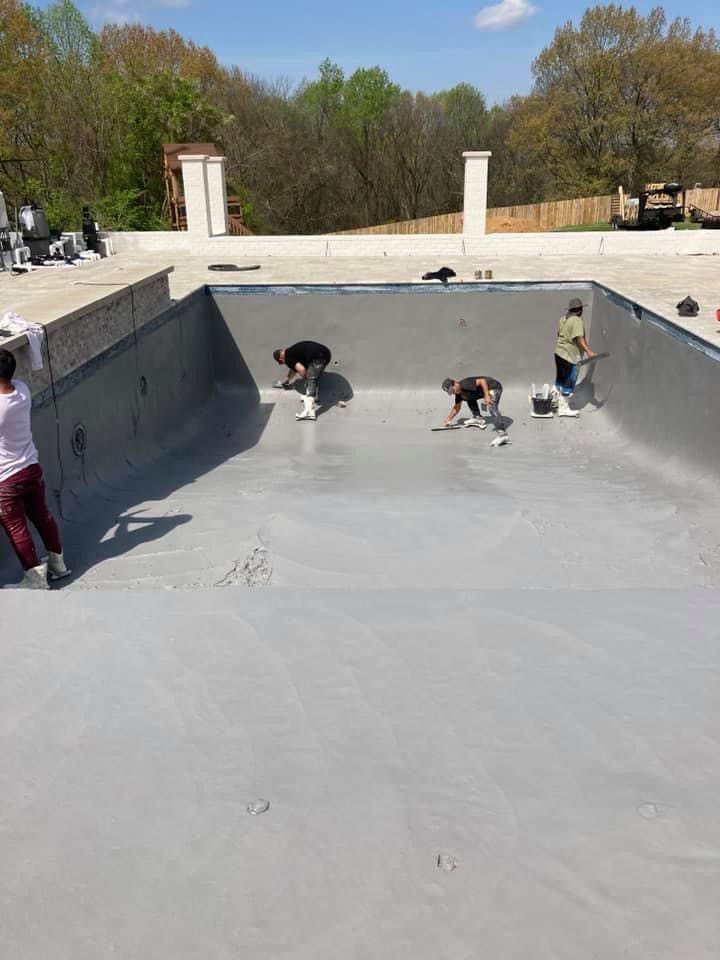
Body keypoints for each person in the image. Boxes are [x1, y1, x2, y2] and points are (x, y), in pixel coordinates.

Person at [0, 348, 70, 588]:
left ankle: (35, 580)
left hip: (6, 479)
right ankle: (58, 565)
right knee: (42, 517)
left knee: (16, 528)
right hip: (31, 468)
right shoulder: (22, 389)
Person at [552, 297, 596, 417]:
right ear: (580, 310)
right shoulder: (577, 321)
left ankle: (555, 401)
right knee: (568, 384)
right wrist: (589, 352)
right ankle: (564, 408)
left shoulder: (563, 319)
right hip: (570, 357)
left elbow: (559, 334)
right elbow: (579, 338)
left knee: (560, 381)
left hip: (559, 353)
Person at [441, 375, 510, 446]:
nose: (453, 393)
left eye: (453, 390)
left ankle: (503, 435)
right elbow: (457, 407)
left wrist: (486, 396)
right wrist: (448, 419)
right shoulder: (459, 394)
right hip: (483, 391)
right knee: (466, 397)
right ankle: (478, 418)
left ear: (455, 383)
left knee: (492, 407)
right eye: (451, 392)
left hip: (494, 387)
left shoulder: (465, 384)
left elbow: (482, 381)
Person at [273, 340, 332, 421]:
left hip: (318, 357)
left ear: (280, 358)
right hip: (325, 353)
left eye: (281, 362)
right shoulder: (292, 352)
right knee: (313, 376)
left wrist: (306, 380)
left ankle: (309, 413)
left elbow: (301, 369)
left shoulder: (287, 357)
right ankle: (314, 396)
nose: (283, 363)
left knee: (311, 379)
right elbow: (293, 369)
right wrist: (287, 380)